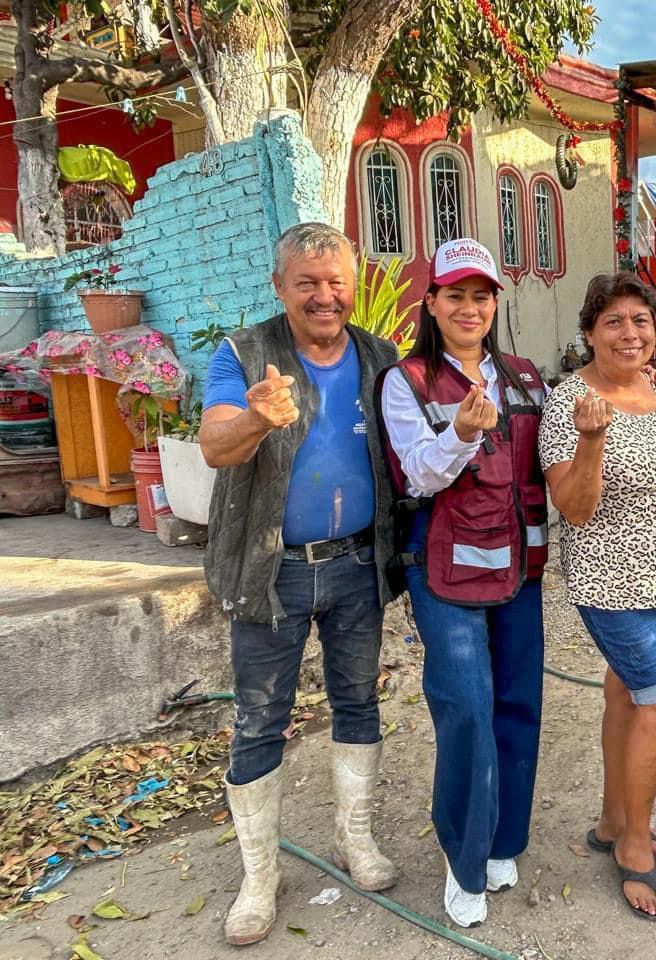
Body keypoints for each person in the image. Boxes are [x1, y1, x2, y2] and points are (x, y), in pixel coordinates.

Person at [199, 221, 400, 946]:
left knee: (356, 701)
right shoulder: (245, 354)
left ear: (354, 282)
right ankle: (260, 878)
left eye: (336, 280)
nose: (325, 296)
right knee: (259, 719)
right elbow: (214, 443)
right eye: (307, 282)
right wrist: (255, 415)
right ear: (279, 286)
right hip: (269, 570)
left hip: (355, 565)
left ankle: (356, 839)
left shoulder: (382, 358)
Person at [376, 238, 548, 929]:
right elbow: (418, 473)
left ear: (495, 303)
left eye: (481, 295)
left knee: (518, 703)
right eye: (456, 295)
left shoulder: (529, 378)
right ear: (433, 303)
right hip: (444, 569)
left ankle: (505, 841)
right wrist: (463, 436)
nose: (470, 307)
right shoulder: (408, 381)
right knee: (467, 709)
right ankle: (465, 859)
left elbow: (552, 463)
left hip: (522, 567)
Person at [538, 273, 656, 922]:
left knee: (624, 692)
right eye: (614, 322)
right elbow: (574, 510)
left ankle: (612, 820)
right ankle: (635, 845)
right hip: (610, 584)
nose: (629, 333)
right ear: (589, 334)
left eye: (640, 320)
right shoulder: (569, 402)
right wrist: (593, 439)